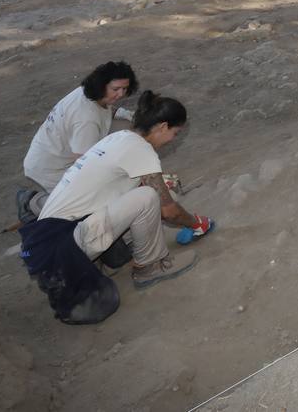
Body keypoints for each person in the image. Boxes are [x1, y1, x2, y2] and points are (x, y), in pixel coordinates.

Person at [20, 92, 209, 324]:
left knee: (143, 192)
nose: (172, 139)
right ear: (162, 126)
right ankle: (150, 268)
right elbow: (169, 211)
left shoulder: (118, 138)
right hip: (64, 245)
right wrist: (197, 222)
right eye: (174, 133)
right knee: (148, 197)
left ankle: (118, 252)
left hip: (48, 239)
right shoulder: (141, 151)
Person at [18, 61, 138, 221]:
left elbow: (107, 109)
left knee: (126, 126)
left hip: (54, 150)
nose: (121, 94)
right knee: (86, 205)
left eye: (124, 88)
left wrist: (126, 114)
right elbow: (83, 166)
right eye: (116, 89)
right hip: (52, 167)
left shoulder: (90, 93)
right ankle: (33, 203)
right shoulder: (86, 119)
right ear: (102, 85)